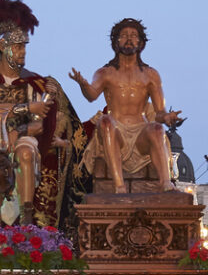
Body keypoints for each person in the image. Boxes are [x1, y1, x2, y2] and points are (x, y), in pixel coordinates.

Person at [0, 0, 57, 226]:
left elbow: (40, 124)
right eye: (17, 47)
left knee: (25, 152)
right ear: (2, 47)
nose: (22, 52)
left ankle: (27, 216)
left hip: (22, 139)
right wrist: (26, 108)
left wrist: (21, 130)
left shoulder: (32, 82)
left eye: (24, 47)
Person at [69, 18, 182, 193]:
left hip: (140, 132)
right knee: (105, 122)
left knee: (157, 129)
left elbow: (159, 112)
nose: (129, 39)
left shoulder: (151, 75)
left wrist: (167, 117)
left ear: (141, 43)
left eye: (133, 35)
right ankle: (119, 186)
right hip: (116, 130)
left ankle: (165, 183)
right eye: (124, 35)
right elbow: (91, 95)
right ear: (115, 42)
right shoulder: (105, 73)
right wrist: (83, 84)